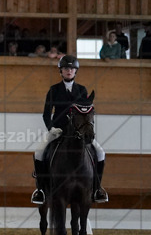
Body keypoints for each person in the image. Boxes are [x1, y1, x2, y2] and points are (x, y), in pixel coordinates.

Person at [30, 55, 108, 204]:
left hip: (79, 132)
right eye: (66, 68)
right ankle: (40, 190)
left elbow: (86, 112)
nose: (69, 71)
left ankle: (97, 188)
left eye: (72, 69)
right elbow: (46, 114)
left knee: (100, 152)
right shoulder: (54, 90)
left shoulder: (81, 90)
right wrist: (51, 128)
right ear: (61, 71)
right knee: (39, 152)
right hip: (58, 130)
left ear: (75, 71)